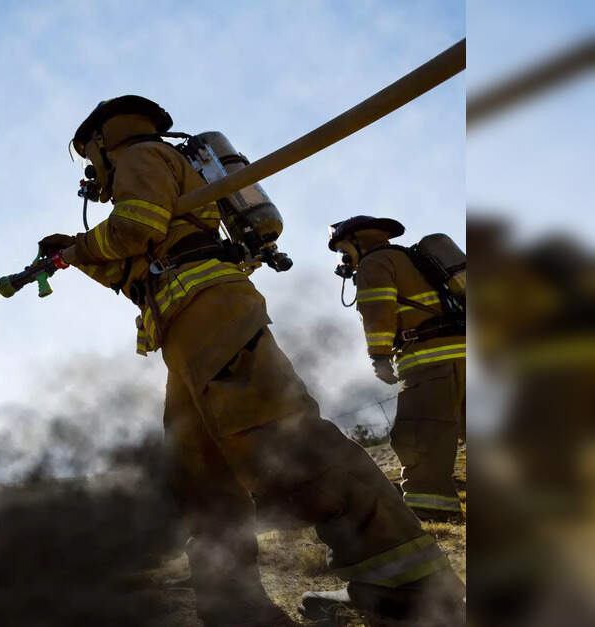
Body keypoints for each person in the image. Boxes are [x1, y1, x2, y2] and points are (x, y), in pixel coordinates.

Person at [40, 95, 463, 626]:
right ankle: (234, 608)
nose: (91, 173)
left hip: (213, 316)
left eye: (88, 157)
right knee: (200, 473)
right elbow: (135, 266)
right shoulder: (159, 172)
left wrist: (77, 249)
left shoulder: (138, 156)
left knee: (279, 437)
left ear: (102, 140)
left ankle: (411, 592)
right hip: (184, 336)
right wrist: (70, 251)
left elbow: (132, 230)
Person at [328, 216, 466, 521]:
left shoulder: (374, 264)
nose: (344, 259)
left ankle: (432, 512)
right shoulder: (413, 259)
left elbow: (378, 310)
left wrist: (379, 357)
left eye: (343, 250)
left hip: (431, 361)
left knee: (418, 435)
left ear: (358, 240)